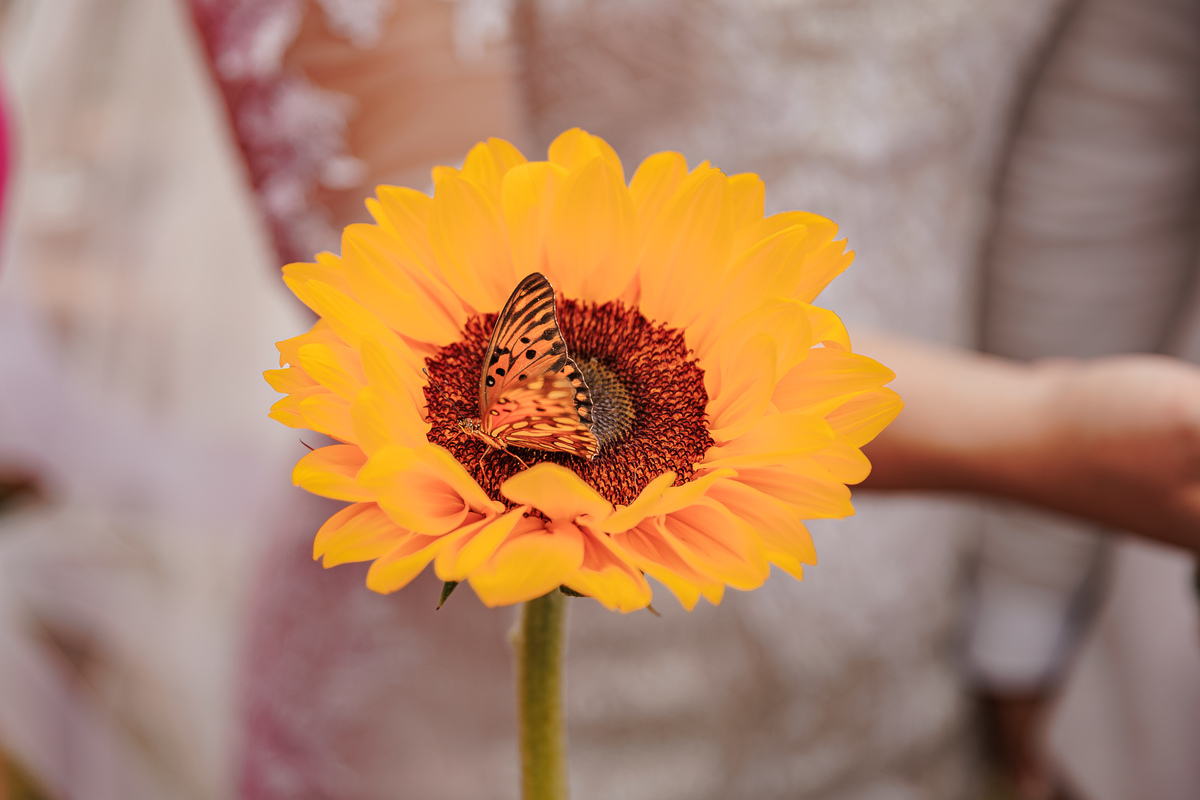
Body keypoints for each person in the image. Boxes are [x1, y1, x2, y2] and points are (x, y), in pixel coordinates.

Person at [188, 1, 1200, 798]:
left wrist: (1025, 605)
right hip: (485, 646)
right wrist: (1043, 431)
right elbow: (405, 246)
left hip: (908, 659)